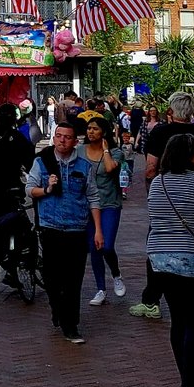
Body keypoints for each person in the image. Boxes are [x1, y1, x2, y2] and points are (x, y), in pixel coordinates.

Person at [25, 122, 102, 344]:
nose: (62, 140)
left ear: (74, 142)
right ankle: (57, 308)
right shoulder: (42, 163)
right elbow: (29, 189)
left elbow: (93, 198)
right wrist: (47, 188)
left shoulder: (84, 167)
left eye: (67, 137)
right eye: (58, 136)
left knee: (73, 279)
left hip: (77, 229)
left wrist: (98, 230)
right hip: (51, 228)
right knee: (52, 277)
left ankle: (71, 325)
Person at [131, 92, 194, 322]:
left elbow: (150, 168)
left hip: (166, 200)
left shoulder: (161, 132)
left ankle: (152, 300)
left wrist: (158, 188)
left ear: (170, 110)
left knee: (159, 244)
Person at [146, 133, 194, 387]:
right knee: (193, 322)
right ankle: (189, 384)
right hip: (189, 257)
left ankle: (185, 382)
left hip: (160, 258)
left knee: (178, 320)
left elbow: (155, 218)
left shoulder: (158, 183)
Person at [0, 105, 35, 297]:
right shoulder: (17, 138)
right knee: (20, 230)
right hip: (10, 192)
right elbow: (30, 163)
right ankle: (15, 267)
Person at [82, 116, 127, 306]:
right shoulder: (79, 151)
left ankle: (116, 274)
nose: (91, 132)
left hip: (109, 203)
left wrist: (106, 148)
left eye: (95, 129)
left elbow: (109, 168)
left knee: (106, 245)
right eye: (89, 128)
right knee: (94, 247)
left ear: (104, 132)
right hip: (86, 206)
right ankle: (101, 288)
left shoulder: (115, 153)